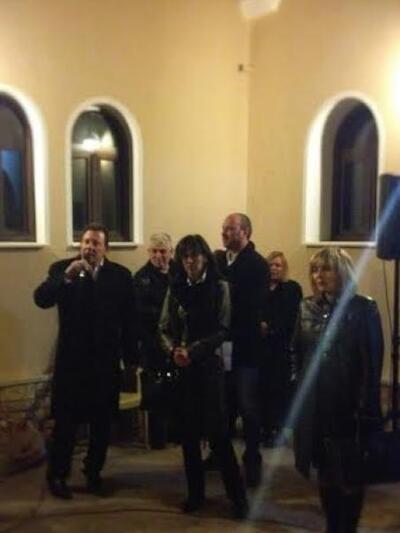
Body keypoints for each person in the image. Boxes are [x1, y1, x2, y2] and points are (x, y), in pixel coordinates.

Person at [34, 223, 135, 499]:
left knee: (101, 424)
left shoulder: (120, 276)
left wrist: (131, 360)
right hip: (72, 362)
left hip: (105, 362)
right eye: (86, 242)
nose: (90, 247)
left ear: (105, 248)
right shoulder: (62, 269)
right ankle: (57, 475)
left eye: (95, 243)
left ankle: (93, 472)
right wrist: (65, 278)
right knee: (65, 423)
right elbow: (41, 299)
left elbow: (129, 320)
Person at [291, 248, 383, 533]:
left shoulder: (363, 308)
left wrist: (365, 407)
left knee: (350, 475)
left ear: (342, 272)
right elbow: (295, 352)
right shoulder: (306, 307)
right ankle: (332, 526)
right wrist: (298, 386)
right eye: (315, 270)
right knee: (325, 471)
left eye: (326, 269)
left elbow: (371, 363)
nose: (319, 276)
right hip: (316, 406)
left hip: (348, 406)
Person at [159, 234, 248, 519]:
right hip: (182, 369)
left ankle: (238, 499)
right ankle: (195, 495)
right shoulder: (175, 288)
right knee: (188, 436)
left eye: (194, 256)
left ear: (205, 257)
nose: (190, 262)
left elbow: (223, 328)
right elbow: (163, 327)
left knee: (219, 436)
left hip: (209, 367)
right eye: (185, 257)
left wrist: (194, 350)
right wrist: (173, 350)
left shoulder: (220, 287)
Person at [214, 213, 269, 487]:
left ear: (245, 231)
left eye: (230, 229)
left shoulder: (257, 264)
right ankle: (219, 454)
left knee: (248, 406)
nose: (224, 233)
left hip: (245, 345)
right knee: (222, 403)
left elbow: (251, 305)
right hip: (221, 343)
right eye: (223, 228)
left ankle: (252, 457)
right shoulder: (218, 260)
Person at [133, 232, 174, 449]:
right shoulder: (142, 278)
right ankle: (157, 439)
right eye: (154, 251)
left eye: (163, 251)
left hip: (177, 343)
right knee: (156, 394)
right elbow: (141, 314)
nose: (159, 256)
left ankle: (176, 434)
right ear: (149, 252)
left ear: (171, 252)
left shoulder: (179, 273)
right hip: (153, 344)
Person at [260, 251, 302, 445]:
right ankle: (264, 426)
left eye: (278, 265)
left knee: (278, 389)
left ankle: (276, 427)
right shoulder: (260, 288)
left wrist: (271, 327)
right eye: (271, 264)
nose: (274, 268)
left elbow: (292, 315)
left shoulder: (291, 289)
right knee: (262, 388)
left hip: (281, 346)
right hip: (261, 347)